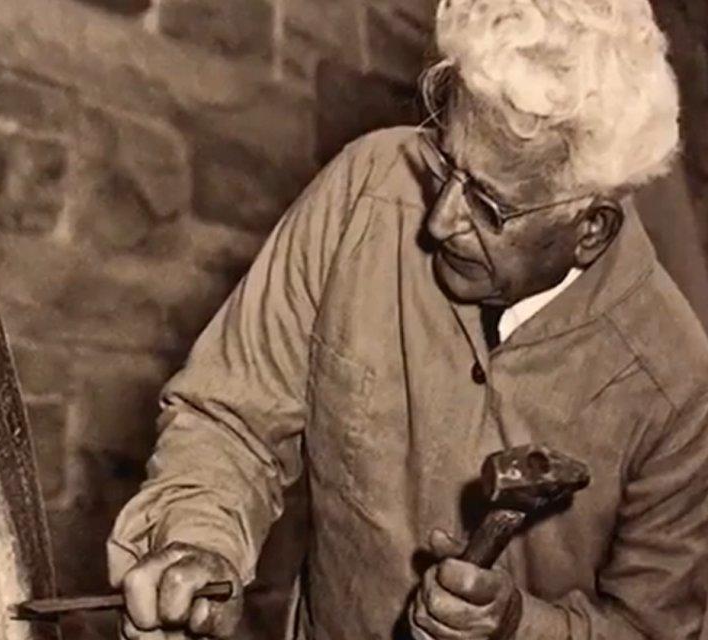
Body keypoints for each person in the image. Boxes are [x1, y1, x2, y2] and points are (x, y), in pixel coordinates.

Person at [107, 1, 708, 638]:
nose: (439, 219)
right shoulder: (361, 194)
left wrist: (517, 626)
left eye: (486, 205)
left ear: (590, 230)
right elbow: (232, 419)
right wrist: (200, 539)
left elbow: (653, 628)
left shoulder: (678, 390)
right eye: (444, 163)